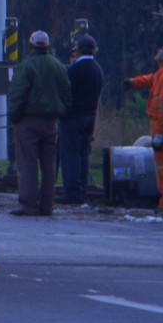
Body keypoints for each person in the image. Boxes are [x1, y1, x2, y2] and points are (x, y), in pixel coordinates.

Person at [7, 30, 72, 216]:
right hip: (51, 123)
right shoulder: (58, 66)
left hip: (28, 122)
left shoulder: (26, 66)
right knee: (49, 166)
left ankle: (29, 205)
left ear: (30, 46)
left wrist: (14, 117)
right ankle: (47, 206)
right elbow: (67, 95)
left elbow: (18, 95)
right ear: (48, 46)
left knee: (28, 164)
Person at [123, 42, 163, 213]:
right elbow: (151, 80)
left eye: (161, 50)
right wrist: (134, 82)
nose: (158, 51)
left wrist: (160, 134)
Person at [56, 35, 104, 204]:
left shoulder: (75, 69)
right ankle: (82, 189)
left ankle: (72, 192)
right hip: (90, 117)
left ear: (78, 49)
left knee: (70, 156)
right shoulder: (97, 68)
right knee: (83, 155)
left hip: (72, 118)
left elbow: (63, 91)